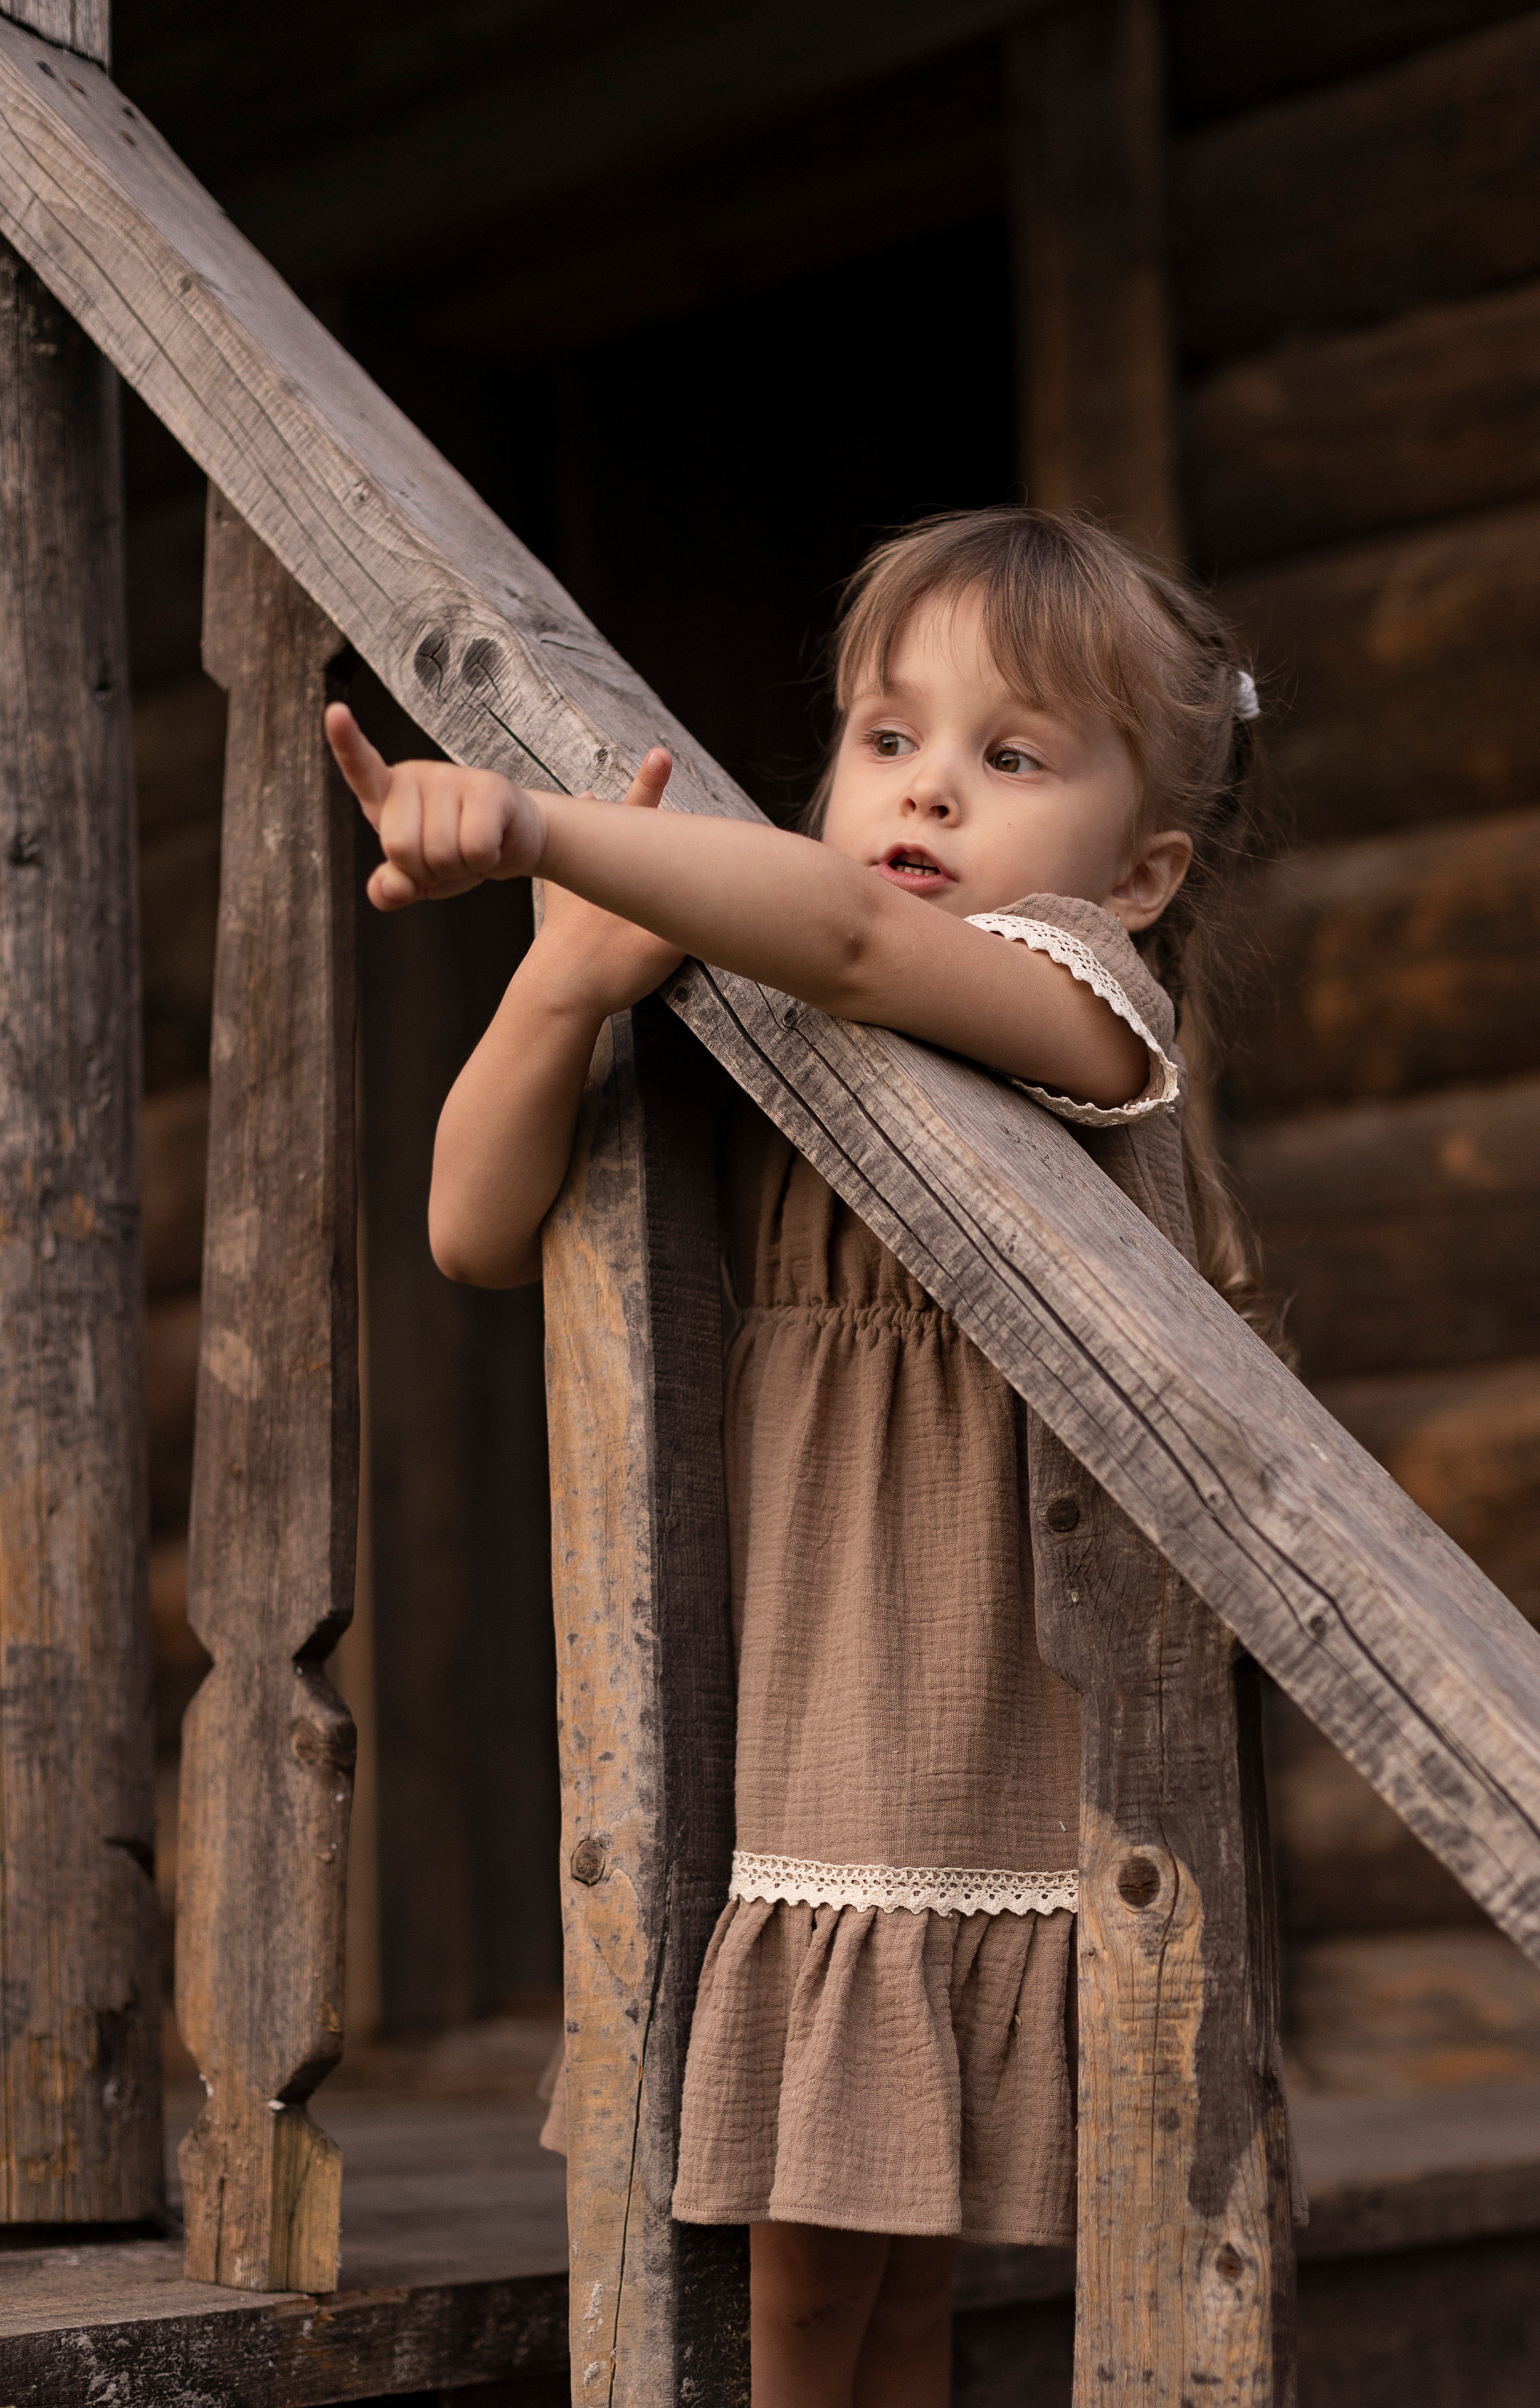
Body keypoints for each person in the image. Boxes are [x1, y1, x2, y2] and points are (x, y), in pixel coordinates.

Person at [327, 507, 1272, 2408]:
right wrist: (569, 974)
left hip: (989, 1705)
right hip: (804, 1694)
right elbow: (470, 1226)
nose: (925, 797)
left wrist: (532, 823)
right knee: (823, 2283)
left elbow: (843, 927)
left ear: (1145, 867)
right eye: (884, 739)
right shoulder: (755, 1019)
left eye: (1010, 761)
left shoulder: (1091, 1001)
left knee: (859, 2275)